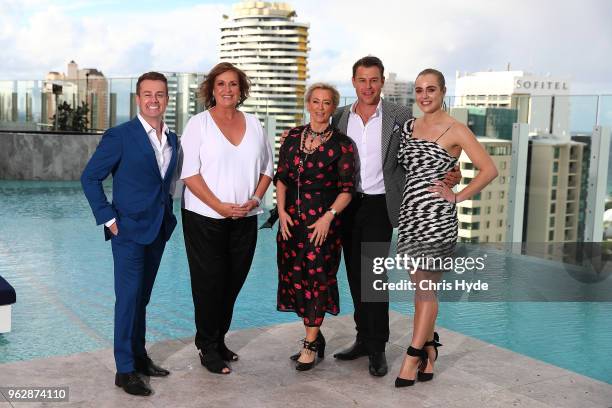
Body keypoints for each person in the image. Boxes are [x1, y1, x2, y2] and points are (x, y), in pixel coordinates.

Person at [330, 56, 461, 377]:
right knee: (354, 275)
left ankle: (377, 347)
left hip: (380, 205)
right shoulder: (339, 117)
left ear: (382, 82)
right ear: (353, 82)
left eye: (374, 80)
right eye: (362, 80)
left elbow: (423, 153)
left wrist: (450, 174)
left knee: (373, 278)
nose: (368, 87)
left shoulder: (400, 115)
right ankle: (362, 339)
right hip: (346, 204)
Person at [394, 68, 498, 387]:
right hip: (410, 216)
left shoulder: (456, 129)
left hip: (437, 218)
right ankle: (430, 352)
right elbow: (408, 168)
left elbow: (489, 169)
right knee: (420, 289)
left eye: (431, 89)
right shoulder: (409, 127)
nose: (424, 95)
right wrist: (453, 173)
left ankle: (412, 357)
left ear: (442, 92)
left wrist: (456, 196)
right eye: (419, 90)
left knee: (426, 288)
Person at [81, 72, 178, 396]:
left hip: (158, 228)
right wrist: (108, 219)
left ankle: (139, 356)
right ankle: (124, 370)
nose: (154, 99)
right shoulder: (120, 135)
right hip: (127, 231)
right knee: (127, 300)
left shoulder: (172, 139)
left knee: (142, 298)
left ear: (166, 98)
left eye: (160, 94)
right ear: (138, 99)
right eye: (148, 94)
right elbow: (90, 178)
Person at [180, 62, 273, 375]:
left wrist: (255, 199)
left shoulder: (255, 123)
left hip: (245, 217)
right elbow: (189, 173)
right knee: (209, 283)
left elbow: (267, 170)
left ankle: (217, 339)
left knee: (233, 281)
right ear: (212, 89)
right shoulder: (198, 124)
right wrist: (218, 205)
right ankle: (207, 346)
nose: (228, 90)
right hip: (205, 216)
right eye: (221, 84)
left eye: (233, 84)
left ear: (241, 89)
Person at [275, 83, 355, 371]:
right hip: (291, 224)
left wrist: (328, 216)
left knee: (318, 279)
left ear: (333, 107)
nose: (321, 108)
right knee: (295, 278)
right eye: (316, 102)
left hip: (323, 226)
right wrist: (281, 211)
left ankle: (309, 344)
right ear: (308, 104)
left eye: (327, 103)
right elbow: (282, 177)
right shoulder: (293, 136)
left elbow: (347, 190)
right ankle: (315, 335)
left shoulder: (343, 144)